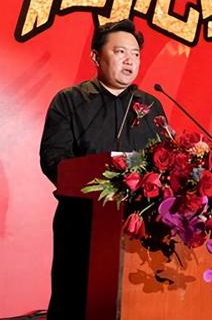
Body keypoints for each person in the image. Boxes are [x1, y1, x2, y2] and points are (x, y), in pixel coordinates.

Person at [40, 19, 165, 319]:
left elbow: (165, 159)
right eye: (120, 52)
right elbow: (53, 159)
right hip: (82, 222)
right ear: (96, 57)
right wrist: (103, 182)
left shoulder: (151, 106)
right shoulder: (70, 101)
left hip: (138, 224)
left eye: (135, 54)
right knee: (76, 301)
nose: (129, 60)